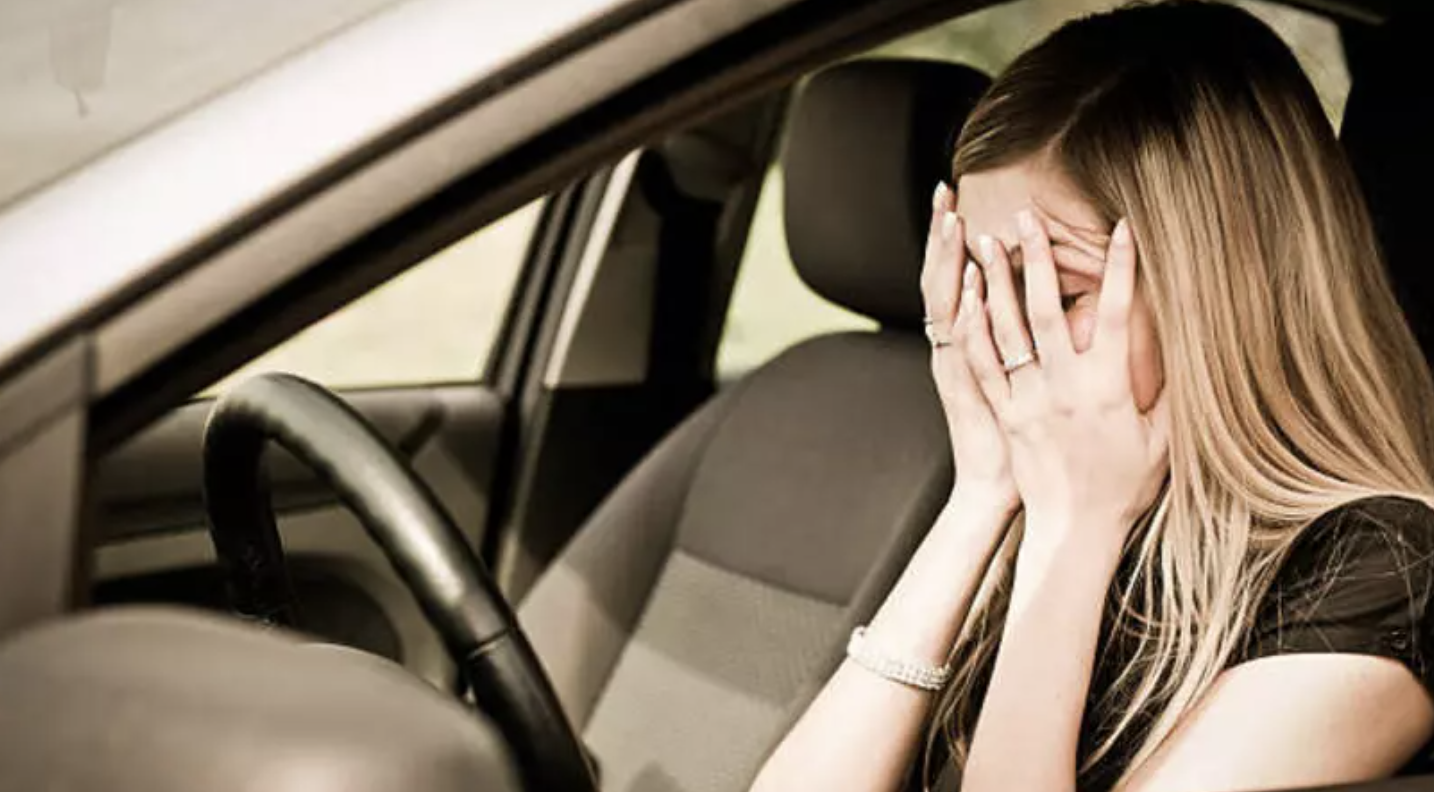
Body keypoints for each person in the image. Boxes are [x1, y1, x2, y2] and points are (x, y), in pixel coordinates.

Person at [749, 2, 1434, 791]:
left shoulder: (1380, 573)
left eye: (1055, 293)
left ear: (1217, 298)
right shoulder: (1062, 490)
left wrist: (1075, 530)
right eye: (980, 285)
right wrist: (981, 495)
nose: (1003, 337)